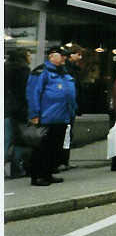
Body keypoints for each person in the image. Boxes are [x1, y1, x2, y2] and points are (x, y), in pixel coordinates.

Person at [25, 46, 77, 186]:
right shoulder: (41, 72)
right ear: (52, 56)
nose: (65, 58)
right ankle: (38, 176)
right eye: (62, 55)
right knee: (42, 148)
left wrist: (72, 111)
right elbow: (33, 93)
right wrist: (34, 114)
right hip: (46, 116)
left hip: (62, 116)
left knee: (55, 148)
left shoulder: (63, 72)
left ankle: (47, 173)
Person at [5, 48, 32, 178]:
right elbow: (25, 91)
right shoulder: (23, 70)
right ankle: (16, 168)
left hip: (6, 109)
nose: (30, 57)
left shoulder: (5, 68)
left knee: (6, 139)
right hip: (19, 109)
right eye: (28, 55)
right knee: (20, 139)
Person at [57, 43, 85, 171]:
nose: (80, 57)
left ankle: (64, 160)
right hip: (66, 107)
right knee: (65, 134)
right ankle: (61, 161)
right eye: (78, 54)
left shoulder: (72, 69)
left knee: (67, 134)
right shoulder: (68, 69)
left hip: (70, 106)